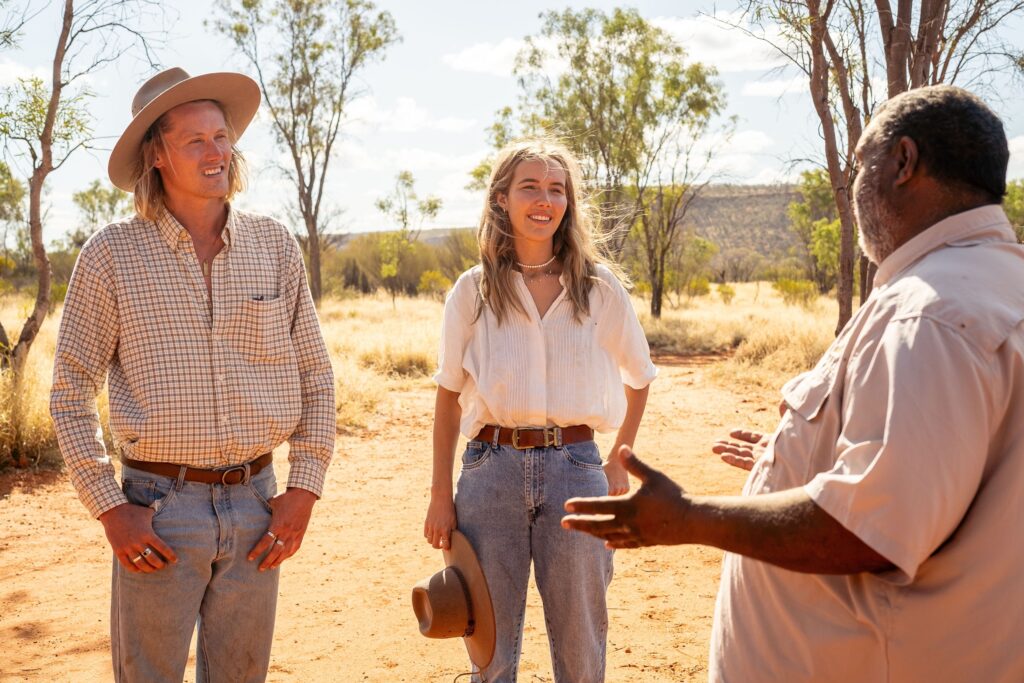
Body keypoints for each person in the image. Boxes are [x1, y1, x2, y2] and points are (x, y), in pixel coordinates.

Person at [562, 84, 1024, 682]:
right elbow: (947, 467)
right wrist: (794, 460)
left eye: (862, 164)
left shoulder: (928, 312)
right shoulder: (996, 285)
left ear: (904, 163)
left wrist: (689, 517)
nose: (854, 187)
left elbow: (868, 532)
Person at [50, 67, 336, 682]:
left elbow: (316, 374)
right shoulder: (111, 255)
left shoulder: (275, 246)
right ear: (157, 155)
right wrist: (110, 508)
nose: (216, 153)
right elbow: (70, 391)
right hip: (157, 509)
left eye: (222, 137)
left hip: (259, 505)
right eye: (196, 141)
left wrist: (303, 491)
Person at [424, 138, 657, 682]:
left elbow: (640, 378)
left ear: (568, 203)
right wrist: (440, 493)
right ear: (502, 198)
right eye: (529, 187)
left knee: (580, 643)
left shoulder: (598, 290)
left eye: (556, 189)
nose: (543, 200)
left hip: (576, 470)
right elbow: (446, 397)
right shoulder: (472, 291)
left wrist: (619, 460)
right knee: (490, 648)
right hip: (489, 471)